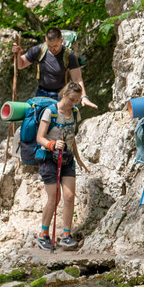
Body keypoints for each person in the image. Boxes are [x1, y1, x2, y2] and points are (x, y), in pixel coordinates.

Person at [33, 82, 90, 250]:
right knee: (54, 198)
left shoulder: (74, 112)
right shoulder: (50, 112)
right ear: (64, 94)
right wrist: (52, 144)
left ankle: (66, 235)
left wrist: (78, 159)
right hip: (49, 159)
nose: (74, 103)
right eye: (72, 99)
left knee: (70, 196)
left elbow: (72, 138)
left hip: (67, 159)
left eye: (77, 100)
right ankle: (43, 234)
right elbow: (39, 137)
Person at [12, 28, 97, 108]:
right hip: (41, 92)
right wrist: (18, 54)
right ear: (46, 40)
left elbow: (77, 79)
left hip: (61, 94)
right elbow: (20, 65)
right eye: (49, 46)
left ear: (61, 41)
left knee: (55, 119)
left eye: (55, 46)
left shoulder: (69, 55)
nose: (52, 49)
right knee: (36, 118)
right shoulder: (39, 50)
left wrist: (84, 97)